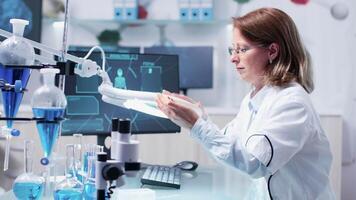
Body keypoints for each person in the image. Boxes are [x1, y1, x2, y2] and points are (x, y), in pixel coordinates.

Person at [156, 7, 334, 200]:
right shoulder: (255, 97)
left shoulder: (291, 103)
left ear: (272, 51)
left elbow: (254, 164)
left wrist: (196, 124)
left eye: (242, 49)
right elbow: (230, 148)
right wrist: (197, 116)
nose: (233, 58)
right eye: (233, 49)